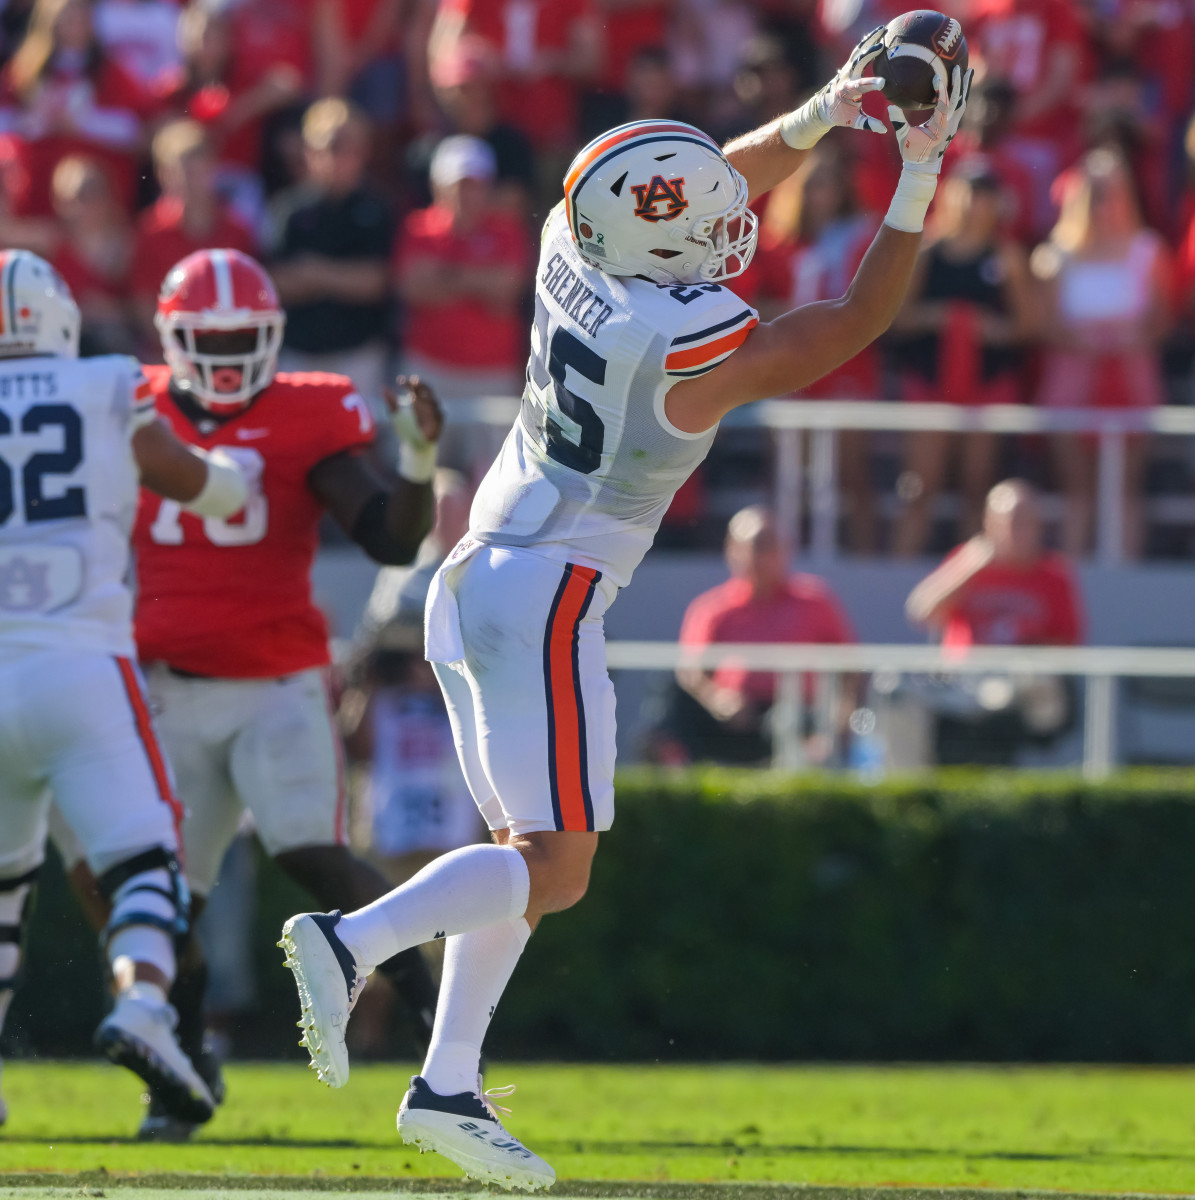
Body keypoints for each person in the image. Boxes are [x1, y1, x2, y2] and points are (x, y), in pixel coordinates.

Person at [279, 33, 972, 1190]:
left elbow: (695, 186)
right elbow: (846, 321)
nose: (721, 219)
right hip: (551, 592)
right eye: (698, 222)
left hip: (477, 575)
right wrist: (917, 167)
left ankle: (446, 1084)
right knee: (559, 871)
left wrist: (820, 114)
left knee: (525, 855)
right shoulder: (685, 345)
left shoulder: (570, 237)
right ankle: (353, 942)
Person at [58, 247, 445, 1141]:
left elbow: (389, 538)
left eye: (245, 337)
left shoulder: (308, 409)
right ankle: (183, 1072)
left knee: (313, 855)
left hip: (274, 682)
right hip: (163, 686)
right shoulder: (127, 399)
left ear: (274, 337)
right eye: (212, 336)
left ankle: (442, 1027)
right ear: (173, 336)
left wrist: (419, 464)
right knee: (162, 899)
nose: (229, 354)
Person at [0, 248, 257, 1128]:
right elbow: (186, 479)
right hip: (80, 661)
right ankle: (143, 1003)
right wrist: (233, 486)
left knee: (2, 887)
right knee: (145, 858)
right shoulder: (106, 383)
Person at [1031, 147, 1170, 558]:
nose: (1104, 203)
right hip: (1070, 382)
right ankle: (1076, 574)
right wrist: (1085, 342)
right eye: (1095, 193)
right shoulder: (1055, 254)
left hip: (1132, 378)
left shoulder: (1148, 250)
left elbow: (1163, 319)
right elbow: (1045, 321)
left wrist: (1129, 340)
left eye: (1112, 192)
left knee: (1125, 487)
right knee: (1078, 490)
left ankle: (1125, 572)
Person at [888, 162, 1033, 556]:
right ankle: (901, 569)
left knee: (976, 488)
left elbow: (1026, 325)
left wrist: (989, 328)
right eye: (967, 193)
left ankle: (972, 577)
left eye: (983, 196)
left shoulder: (1006, 256)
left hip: (987, 380)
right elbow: (896, 318)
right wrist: (940, 317)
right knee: (919, 486)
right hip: (930, 379)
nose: (974, 205)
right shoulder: (927, 250)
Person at [746, 142, 882, 553]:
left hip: (847, 364)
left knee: (851, 473)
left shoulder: (863, 236)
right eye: (814, 185)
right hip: (788, 363)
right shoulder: (774, 245)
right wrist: (794, 311)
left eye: (831, 185)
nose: (823, 194)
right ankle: (788, 555)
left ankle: (863, 557)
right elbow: (747, 304)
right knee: (788, 475)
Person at [656, 505, 857, 765]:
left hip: (798, 715)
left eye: (770, 545)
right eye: (755, 546)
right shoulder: (711, 607)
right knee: (672, 704)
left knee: (790, 720)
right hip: (731, 717)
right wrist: (717, 699)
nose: (762, 556)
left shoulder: (816, 602)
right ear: (732, 551)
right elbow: (691, 671)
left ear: (788, 549)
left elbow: (849, 670)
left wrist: (835, 725)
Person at [904, 479, 1084, 764]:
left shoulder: (1054, 575)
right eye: (1006, 522)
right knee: (892, 687)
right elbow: (920, 612)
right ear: (988, 524)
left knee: (1016, 689)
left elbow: (1068, 646)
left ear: (1039, 526)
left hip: (1022, 683)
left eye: (1023, 522)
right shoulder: (966, 561)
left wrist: (1022, 651)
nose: (1014, 532)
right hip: (960, 679)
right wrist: (972, 567)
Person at [394, 133, 532, 475]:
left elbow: (508, 288)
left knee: (494, 477)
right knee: (422, 471)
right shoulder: (418, 228)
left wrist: (444, 279)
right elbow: (413, 287)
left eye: (475, 185)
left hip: (492, 374)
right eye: (458, 185)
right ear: (437, 185)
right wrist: (480, 283)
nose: (467, 194)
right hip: (430, 370)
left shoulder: (506, 229)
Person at [269, 98, 394, 422]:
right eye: (330, 146)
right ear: (309, 151)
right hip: (299, 358)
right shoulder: (288, 210)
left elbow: (376, 283)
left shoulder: (376, 209)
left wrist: (315, 273)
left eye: (349, 147)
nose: (340, 157)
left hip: (359, 356)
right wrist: (344, 278)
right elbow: (276, 284)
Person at [0, 0, 152, 216]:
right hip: (36, 192)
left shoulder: (111, 71)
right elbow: (5, 120)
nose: (75, 21)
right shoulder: (23, 70)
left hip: (99, 198)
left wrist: (81, 122)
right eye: (68, 14)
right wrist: (33, 120)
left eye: (81, 13)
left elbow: (134, 130)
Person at [130, 119, 256, 351]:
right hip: (168, 355)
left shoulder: (237, 230)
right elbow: (143, 302)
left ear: (213, 168)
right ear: (163, 175)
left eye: (197, 169)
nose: (188, 179)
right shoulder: (150, 232)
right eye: (180, 171)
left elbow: (250, 299)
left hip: (228, 354)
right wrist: (176, 350)